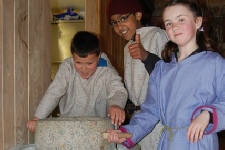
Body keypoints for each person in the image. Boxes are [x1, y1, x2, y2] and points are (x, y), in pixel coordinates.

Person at [106, 0, 225, 149]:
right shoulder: (162, 68)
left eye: (181, 20)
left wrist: (208, 115)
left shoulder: (214, 63)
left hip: (199, 142)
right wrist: (127, 133)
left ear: (197, 22)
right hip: (168, 143)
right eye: (168, 23)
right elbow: (151, 111)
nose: (175, 27)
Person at [26, 31, 128, 132]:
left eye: (89, 63)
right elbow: (53, 93)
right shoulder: (67, 68)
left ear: (98, 57)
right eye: (78, 62)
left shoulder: (107, 72)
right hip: (68, 128)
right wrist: (37, 118)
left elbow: (118, 90)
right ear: (73, 56)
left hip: (98, 130)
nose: (84, 69)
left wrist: (116, 105)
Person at [106, 0, 169, 149]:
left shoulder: (157, 35)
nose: (119, 26)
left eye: (123, 18)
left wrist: (146, 56)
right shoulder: (127, 46)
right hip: (139, 119)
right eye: (114, 23)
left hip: (157, 120)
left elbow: (170, 77)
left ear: (138, 15)